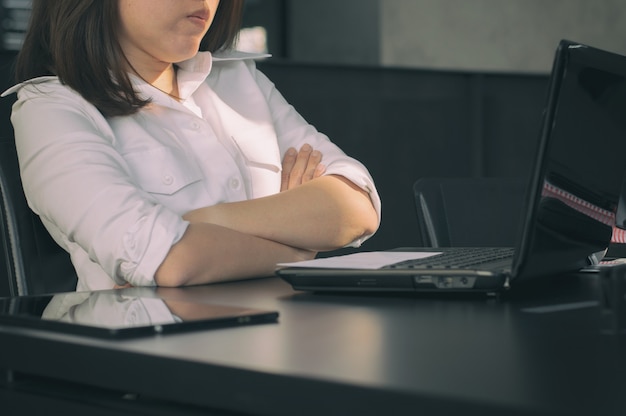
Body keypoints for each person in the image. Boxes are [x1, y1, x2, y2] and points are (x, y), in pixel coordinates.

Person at [3, 0, 381, 291]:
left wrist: (203, 223)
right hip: (153, 366)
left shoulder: (237, 80)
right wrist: (299, 248)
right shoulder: (49, 109)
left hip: (284, 340)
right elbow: (171, 261)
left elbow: (356, 204)